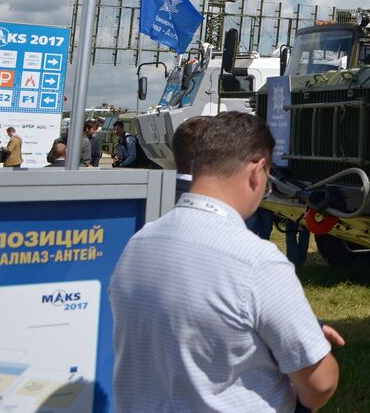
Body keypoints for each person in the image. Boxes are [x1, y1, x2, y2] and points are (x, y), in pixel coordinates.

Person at [110, 111, 343, 412]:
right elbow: (319, 384)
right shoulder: (258, 261)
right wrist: (311, 343)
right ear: (258, 171)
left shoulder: (139, 243)